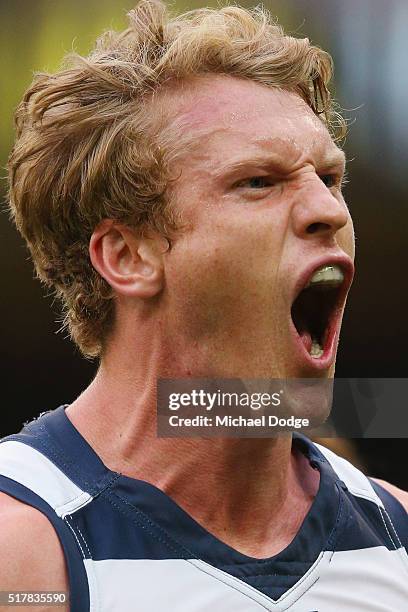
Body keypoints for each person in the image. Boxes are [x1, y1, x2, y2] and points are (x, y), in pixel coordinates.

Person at [1, 1, 407, 610]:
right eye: (258, 183)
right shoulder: (25, 548)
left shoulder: (394, 532)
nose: (330, 211)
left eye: (329, 177)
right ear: (127, 256)